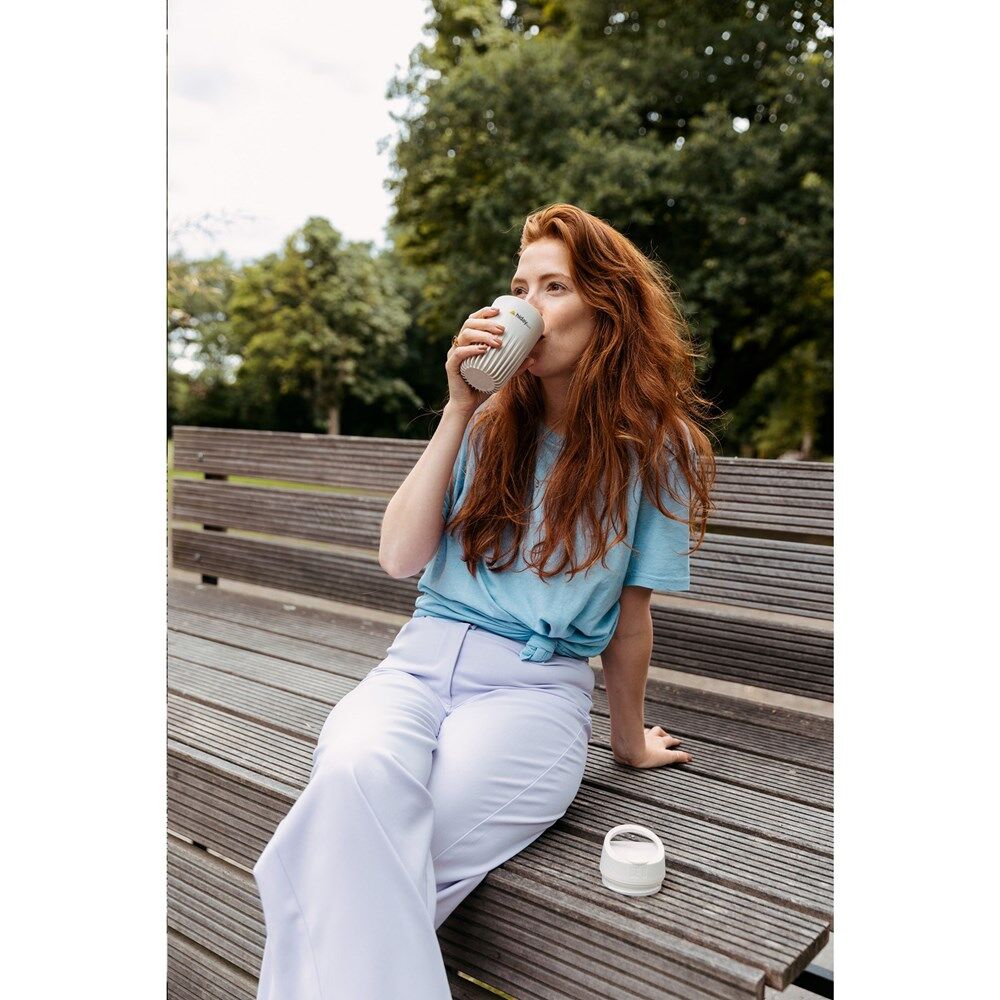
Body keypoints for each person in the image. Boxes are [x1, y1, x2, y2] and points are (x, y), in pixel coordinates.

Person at [251, 203, 718, 999]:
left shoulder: (659, 447)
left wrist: (628, 742)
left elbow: (631, 617)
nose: (525, 306)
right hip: (413, 670)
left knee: (351, 854)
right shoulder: (486, 424)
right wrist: (460, 405)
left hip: (532, 694)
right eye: (519, 287)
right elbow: (400, 557)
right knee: (352, 778)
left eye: (554, 287)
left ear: (608, 309)